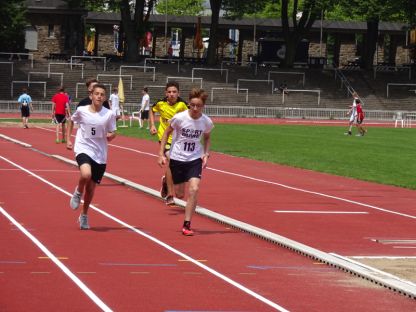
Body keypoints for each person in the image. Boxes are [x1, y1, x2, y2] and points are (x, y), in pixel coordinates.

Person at [158, 88, 213, 236]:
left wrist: (206, 153)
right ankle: (166, 181)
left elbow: (207, 138)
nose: (195, 108)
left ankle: (187, 224)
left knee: (194, 189)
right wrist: (161, 153)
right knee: (180, 194)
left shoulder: (206, 121)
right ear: (189, 103)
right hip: (177, 157)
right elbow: (167, 133)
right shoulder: (180, 118)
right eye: (193, 105)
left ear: (203, 106)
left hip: (194, 158)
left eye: (198, 106)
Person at [66, 84, 117, 230]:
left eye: (102, 94)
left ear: (105, 98)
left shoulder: (109, 114)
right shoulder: (82, 110)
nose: (99, 96)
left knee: (91, 189)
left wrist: (111, 135)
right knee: (85, 174)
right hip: (83, 148)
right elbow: (71, 120)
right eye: (97, 94)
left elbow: (113, 132)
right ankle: (77, 191)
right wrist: (69, 139)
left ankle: (84, 214)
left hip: (100, 154)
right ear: (91, 96)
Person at [149, 81, 188, 205]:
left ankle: (166, 181)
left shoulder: (183, 105)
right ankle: (170, 195)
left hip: (179, 140)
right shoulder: (160, 103)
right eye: (169, 92)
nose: (171, 94)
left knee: (178, 165)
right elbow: (151, 110)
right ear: (166, 93)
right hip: (164, 138)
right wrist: (152, 125)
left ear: (178, 93)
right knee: (171, 161)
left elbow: (191, 115)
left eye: (174, 92)